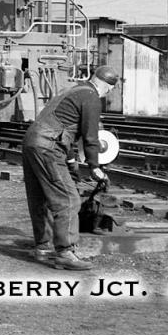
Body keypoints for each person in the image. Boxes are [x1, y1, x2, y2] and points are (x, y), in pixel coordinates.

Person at [22, 65, 120, 271]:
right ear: (109, 88)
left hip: (32, 141)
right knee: (68, 199)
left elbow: (63, 125)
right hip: (48, 146)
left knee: (41, 198)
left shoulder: (73, 90)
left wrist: (71, 160)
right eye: (109, 90)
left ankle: (43, 248)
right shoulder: (92, 97)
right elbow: (90, 136)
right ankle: (66, 252)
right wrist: (95, 166)